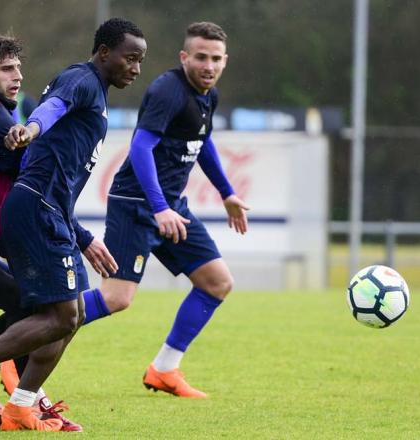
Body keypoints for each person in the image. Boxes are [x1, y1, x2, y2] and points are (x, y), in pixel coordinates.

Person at [0, 18, 147, 432]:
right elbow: (51, 109)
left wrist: (82, 238)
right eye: (130, 58)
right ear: (105, 53)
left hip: (51, 212)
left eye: (140, 60)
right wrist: (29, 128)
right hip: (35, 210)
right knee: (62, 315)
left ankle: (19, 409)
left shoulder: (96, 92)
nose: (136, 68)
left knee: (75, 313)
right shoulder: (81, 80)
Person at [80, 22, 249, 398]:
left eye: (216, 59)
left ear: (225, 61)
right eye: (201, 57)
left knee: (217, 282)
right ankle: (26, 340)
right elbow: (139, 148)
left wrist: (227, 192)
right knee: (116, 298)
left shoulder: (209, 95)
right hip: (137, 204)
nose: (208, 65)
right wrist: (158, 208)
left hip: (170, 206)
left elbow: (202, 143)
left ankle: (164, 369)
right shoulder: (167, 91)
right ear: (184, 57)